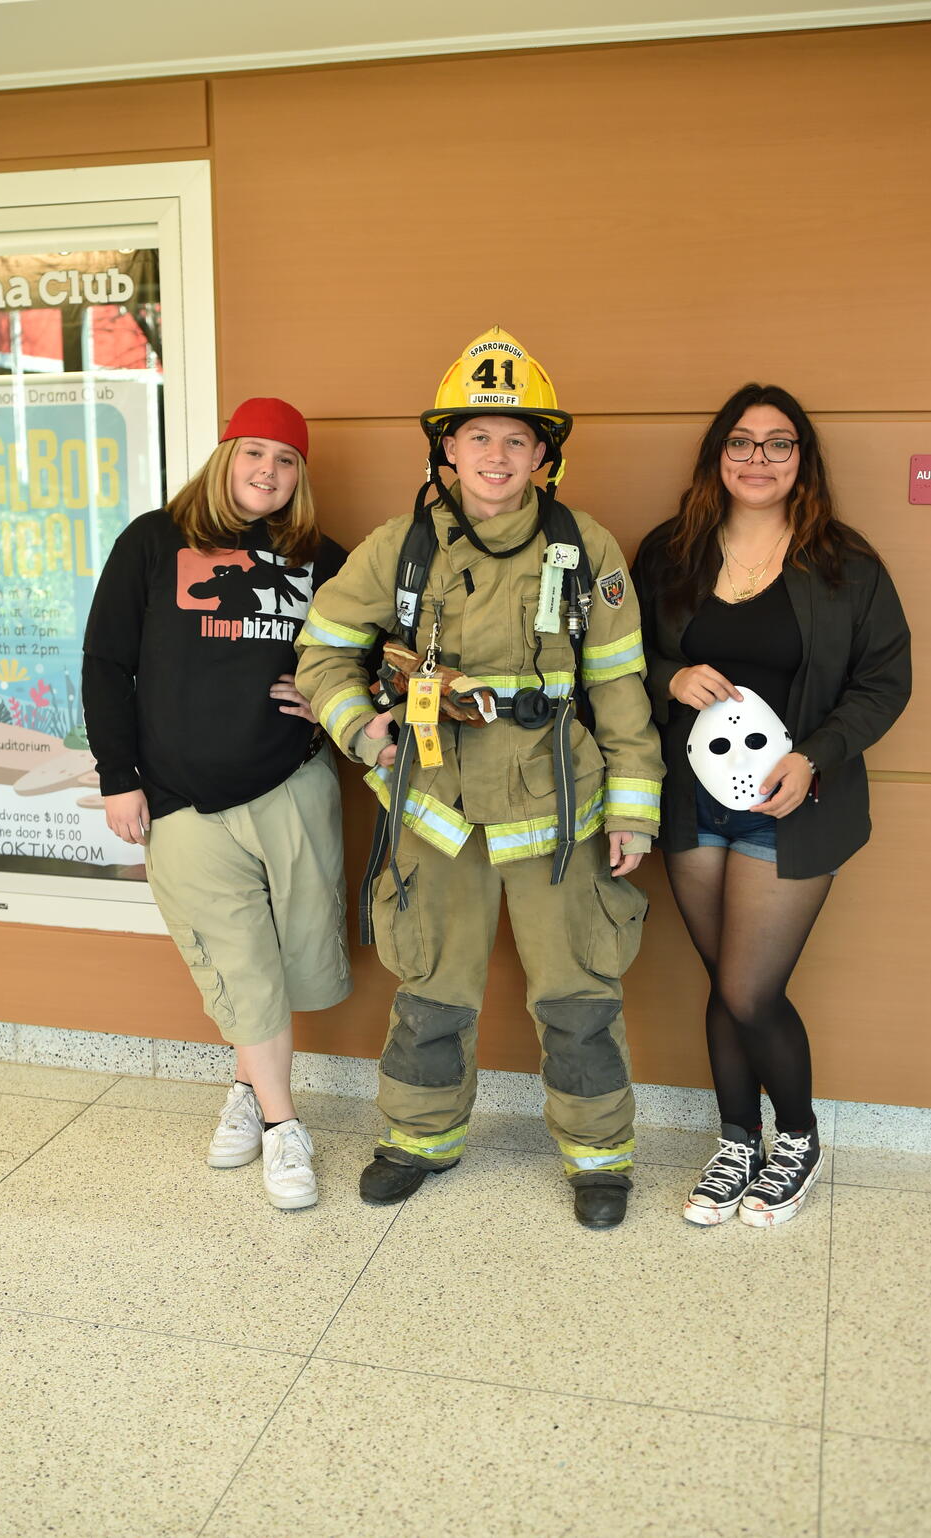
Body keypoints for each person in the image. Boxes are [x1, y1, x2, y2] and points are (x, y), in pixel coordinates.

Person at [295, 327, 664, 1229]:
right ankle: (419, 1138)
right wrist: (363, 729)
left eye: (516, 438)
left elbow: (620, 686)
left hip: (559, 807)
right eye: (478, 436)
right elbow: (322, 654)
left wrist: (633, 809)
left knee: (579, 995)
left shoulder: (587, 549)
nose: (496, 456)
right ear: (448, 450)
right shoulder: (399, 549)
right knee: (430, 989)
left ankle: (599, 1156)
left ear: (543, 455)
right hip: (438, 805)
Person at [632, 383, 911, 1228]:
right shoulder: (670, 553)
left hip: (793, 805)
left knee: (750, 990)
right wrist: (669, 677)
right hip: (692, 801)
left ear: (802, 460)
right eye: (742, 442)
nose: (759, 458)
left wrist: (814, 755)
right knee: (724, 983)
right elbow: (614, 656)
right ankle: (736, 1141)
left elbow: (884, 682)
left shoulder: (845, 565)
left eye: (778, 443)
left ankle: (796, 1138)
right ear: (718, 454)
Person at [82, 397, 351, 1210]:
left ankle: (244, 1088)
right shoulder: (153, 540)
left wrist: (333, 700)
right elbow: (105, 661)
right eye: (254, 453)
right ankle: (282, 1125)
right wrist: (118, 776)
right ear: (226, 456)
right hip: (181, 798)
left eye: (286, 459)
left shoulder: (323, 559)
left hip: (292, 784)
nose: (268, 471)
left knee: (292, 958)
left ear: (300, 474)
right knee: (236, 959)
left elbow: (379, 654)